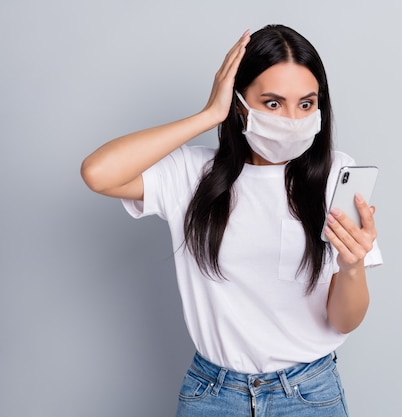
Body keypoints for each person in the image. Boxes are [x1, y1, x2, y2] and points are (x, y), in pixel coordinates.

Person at [81, 24, 382, 417]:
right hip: (213, 395)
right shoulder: (192, 175)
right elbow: (98, 173)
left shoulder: (335, 176)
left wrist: (352, 265)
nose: (292, 119)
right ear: (239, 103)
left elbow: (343, 321)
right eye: (273, 103)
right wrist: (208, 115)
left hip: (309, 395)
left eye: (306, 104)